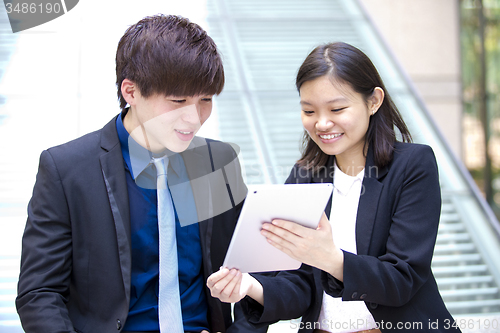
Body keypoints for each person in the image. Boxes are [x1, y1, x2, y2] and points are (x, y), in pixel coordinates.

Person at [16, 14, 267, 333]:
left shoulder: (216, 161)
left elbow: (257, 269)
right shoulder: (67, 168)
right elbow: (39, 294)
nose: (193, 118)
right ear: (131, 92)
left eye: (205, 100)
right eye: (178, 101)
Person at [207, 42, 461, 333]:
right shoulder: (305, 175)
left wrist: (331, 259)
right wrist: (248, 285)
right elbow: (301, 286)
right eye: (309, 111)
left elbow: (403, 278)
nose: (322, 123)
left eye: (337, 108)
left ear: (374, 101)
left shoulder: (412, 165)